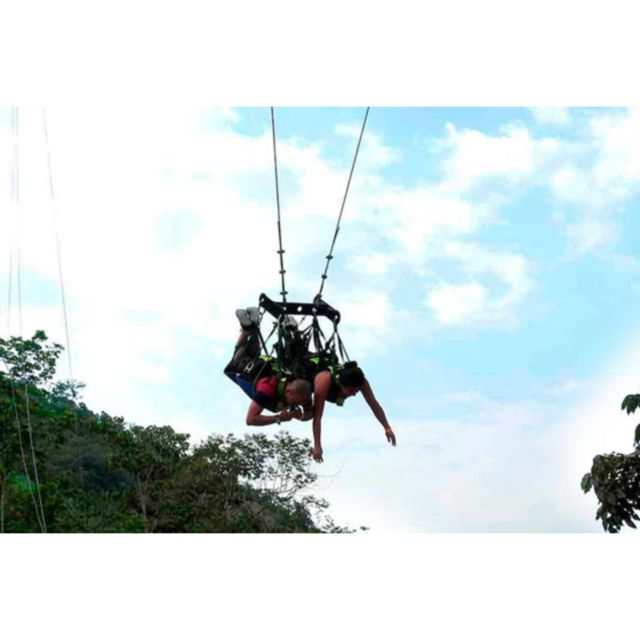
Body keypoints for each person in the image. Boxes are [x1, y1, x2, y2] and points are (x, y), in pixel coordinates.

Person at [224, 307, 312, 427]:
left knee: (250, 353)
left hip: (262, 364)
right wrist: (278, 418)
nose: (296, 405)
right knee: (236, 360)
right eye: (296, 403)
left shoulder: (302, 390)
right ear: (288, 392)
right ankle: (247, 330)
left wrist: (298, 416)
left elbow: (309, 413)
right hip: (245, 370)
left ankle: (251, 329)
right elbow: (250, 419)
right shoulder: (267, 389)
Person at [306, 357, 397, 463]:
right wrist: (317, 445)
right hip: (304, 385)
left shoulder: (361, 382)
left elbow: (373, 404)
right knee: (308, 414)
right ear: (341, 384)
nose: (354, 394)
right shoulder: (324, 381)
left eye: (357, 391)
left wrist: (387, 427)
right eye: (351, 390)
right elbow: (317, 417)